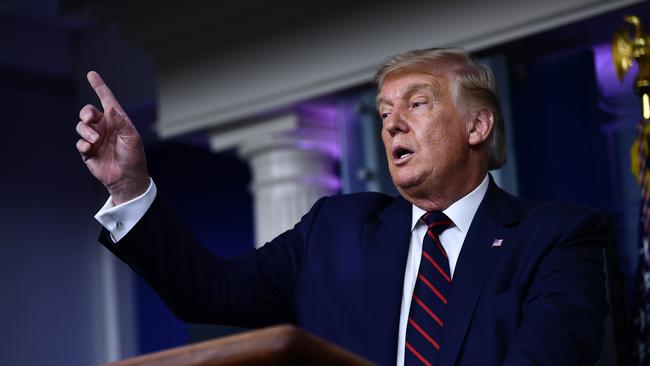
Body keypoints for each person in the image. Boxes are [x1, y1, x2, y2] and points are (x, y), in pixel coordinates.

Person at [75, 48, 610, 366]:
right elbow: (208, 290)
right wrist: (130, 188)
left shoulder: (556, 238)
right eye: (383, 113)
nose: (392, 123)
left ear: (477, 125)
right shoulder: (334, 229)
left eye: (417, 104)